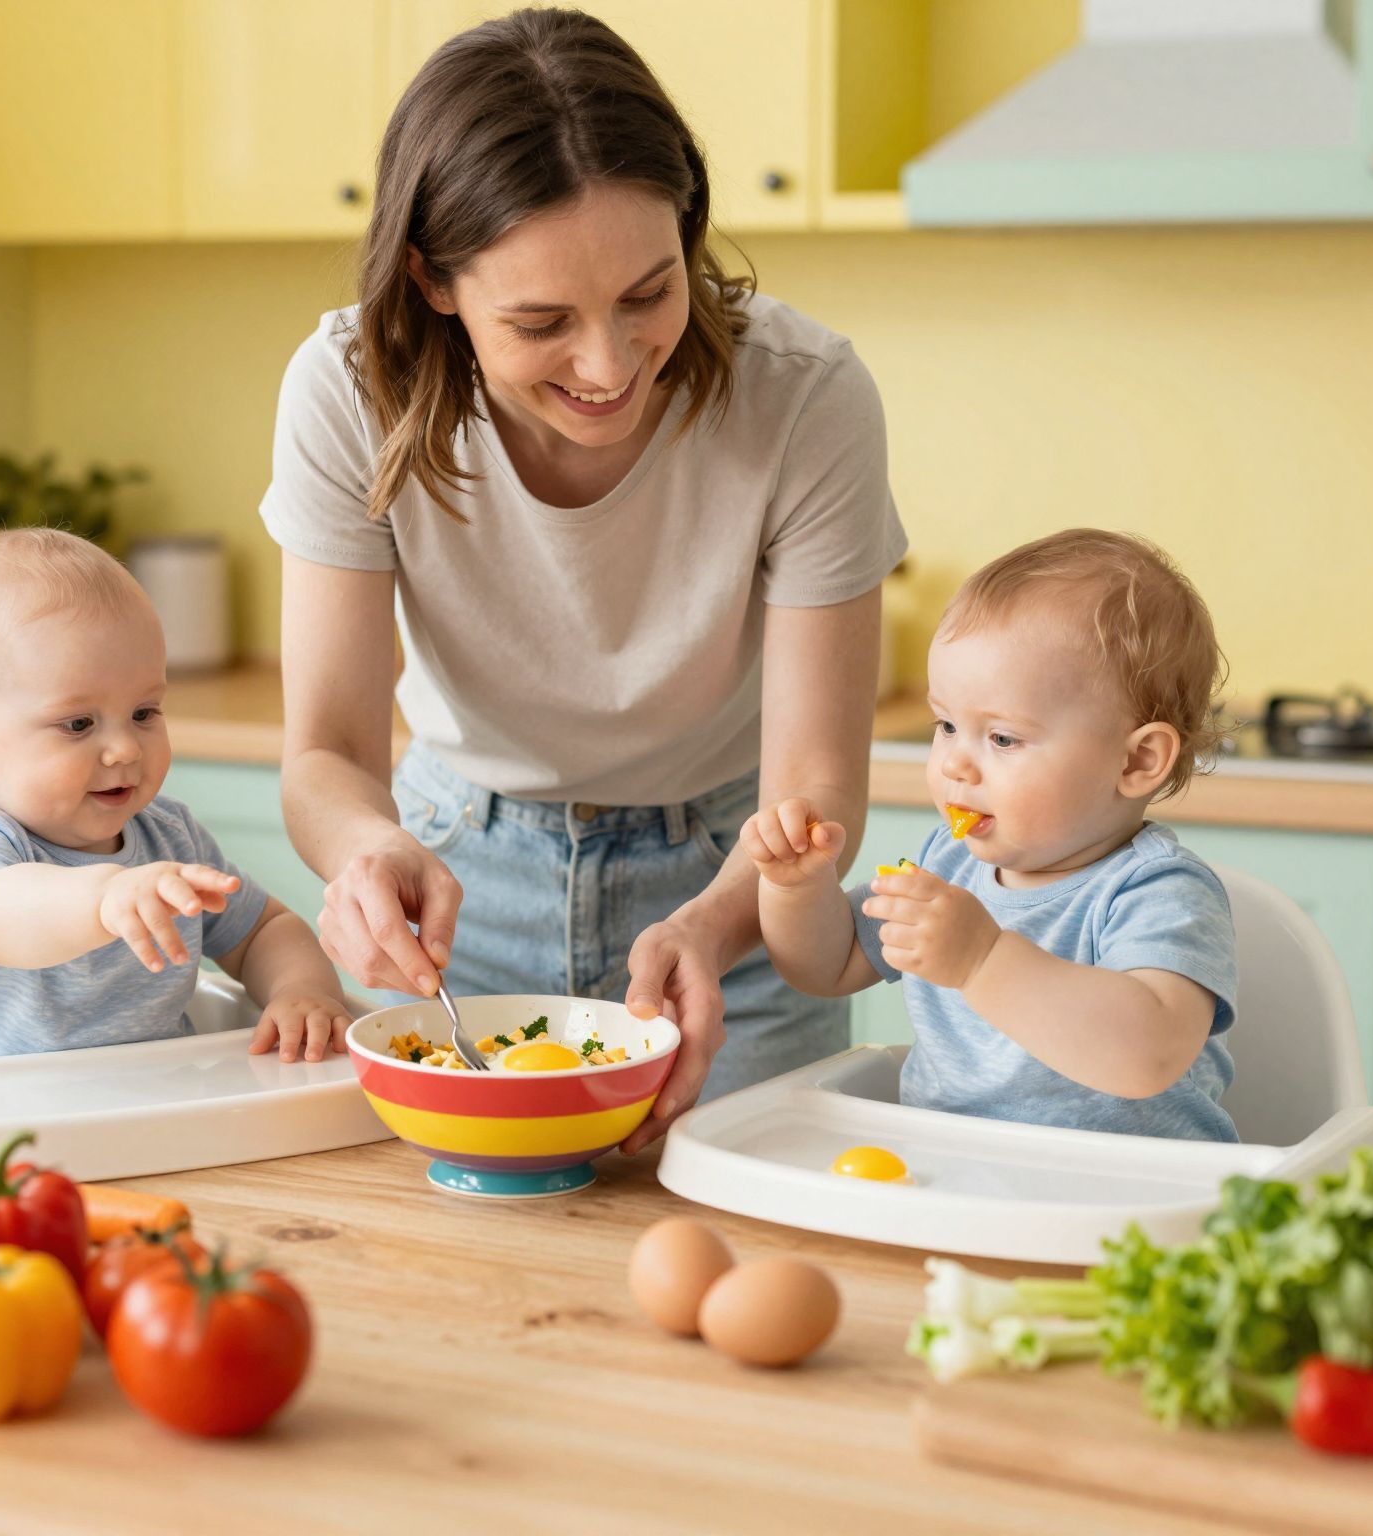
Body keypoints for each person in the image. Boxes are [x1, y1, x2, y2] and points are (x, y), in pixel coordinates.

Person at [260, 9, 905, 1150]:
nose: (609, 364)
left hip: (736, 896)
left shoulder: (804, 398)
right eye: (541, 321)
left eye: (649, 294)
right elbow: (327, 756)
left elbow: (815, 790)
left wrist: (710, 929)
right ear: (432, 279)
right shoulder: (347, 392)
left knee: (753, 1229)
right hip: (459, 890)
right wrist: (366, 853)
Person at [743, 529, 1240, 1141]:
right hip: (955, 1174)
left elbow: (1148, 1056)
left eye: (1002, 738)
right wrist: (795, 889)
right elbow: (829, 965)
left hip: (1131, 1189)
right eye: (946, 725)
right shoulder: (948, 862)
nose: (954, 763)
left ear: (1136, 761)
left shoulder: (1159, 891)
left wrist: (983, 961)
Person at [0, 528, 353, 1064]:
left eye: (143, 712)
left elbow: (263, 930)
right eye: (78, 724)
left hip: (146, 1104)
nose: (125, 749)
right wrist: (105, 898)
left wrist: (302, 991)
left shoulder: (171, 837)